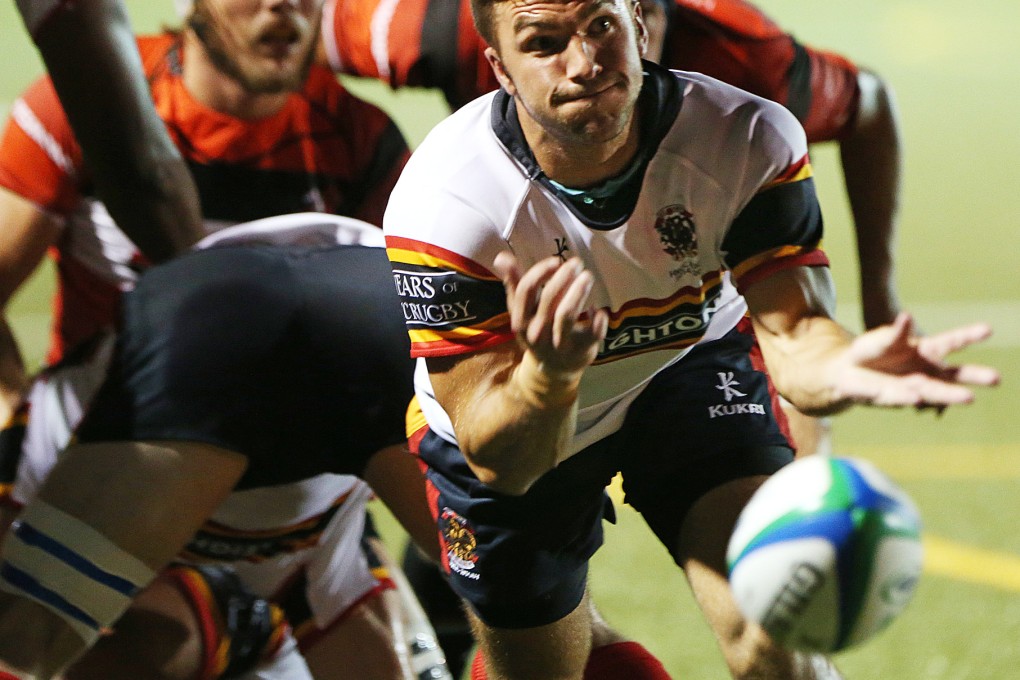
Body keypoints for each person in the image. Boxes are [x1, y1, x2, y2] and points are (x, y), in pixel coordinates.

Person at [381, 2, 1000, 680]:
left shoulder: (745, 137)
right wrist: (550, 378)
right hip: (522, 405)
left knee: (777, 632)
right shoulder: (446, 204)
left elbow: (793, 338)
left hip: (684, 362)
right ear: (499, 66)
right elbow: (502, 462)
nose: (584, 62)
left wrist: (844, 361)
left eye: (601, 26)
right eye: (545, 42)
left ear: (639, 26)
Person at [0, 0, 442, 677]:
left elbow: (400, 352)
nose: (283, 10)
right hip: (102, 451)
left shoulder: (359, 137)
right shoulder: (95, 100)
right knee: (140, 646)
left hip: (290, 498)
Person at [0, 216, 443, 680]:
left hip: (214, 313)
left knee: (50, 636)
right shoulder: (313, 567)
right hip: (373, 288)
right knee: (510, 597)